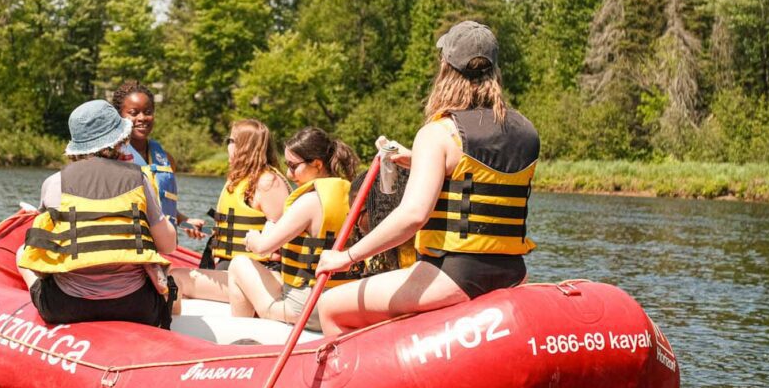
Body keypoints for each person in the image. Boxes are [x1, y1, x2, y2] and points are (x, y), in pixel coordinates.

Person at [315, 21, 538, 337]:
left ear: (446, 67)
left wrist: (345, 257)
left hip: (454, 277)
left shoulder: (439, 133)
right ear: (494, 69)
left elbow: (413, 215)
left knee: (331, 306)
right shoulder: (527, 131)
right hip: (513, 273)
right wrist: (419, 162)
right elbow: (477, 173)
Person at [18, 100, 178, 327]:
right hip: (134, 306)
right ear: (119, 139)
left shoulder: (54, 183)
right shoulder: (139, 178)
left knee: (20, 254)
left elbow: (40, 259)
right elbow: (169, 246)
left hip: (67, 306)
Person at [226, 127, 363, 327]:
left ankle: (240, 338)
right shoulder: (350, 193)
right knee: (274, 275)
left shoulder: (309, 201)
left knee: (239, 264)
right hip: (341, 304)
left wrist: (252, 238)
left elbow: (264, 247)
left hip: (306, 309)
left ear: (317, 164)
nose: (289, 174)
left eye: (293, 166)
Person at [112, 81, 205, 240]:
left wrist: (185, 221)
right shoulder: (110, 158)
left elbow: (160, 207)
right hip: (124, 245)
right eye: (133, 113)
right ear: (119, 116)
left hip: (158, 247)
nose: (142, 118)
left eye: (147, 112)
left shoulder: (166, 159)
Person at [201, 119, 291, 270]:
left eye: (231, 141)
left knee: (178, 278)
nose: (228, 146)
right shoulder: (237, 179)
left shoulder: (268, 182)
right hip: (228, 263)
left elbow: (284, 234)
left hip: (259, 269)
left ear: (243, 146)